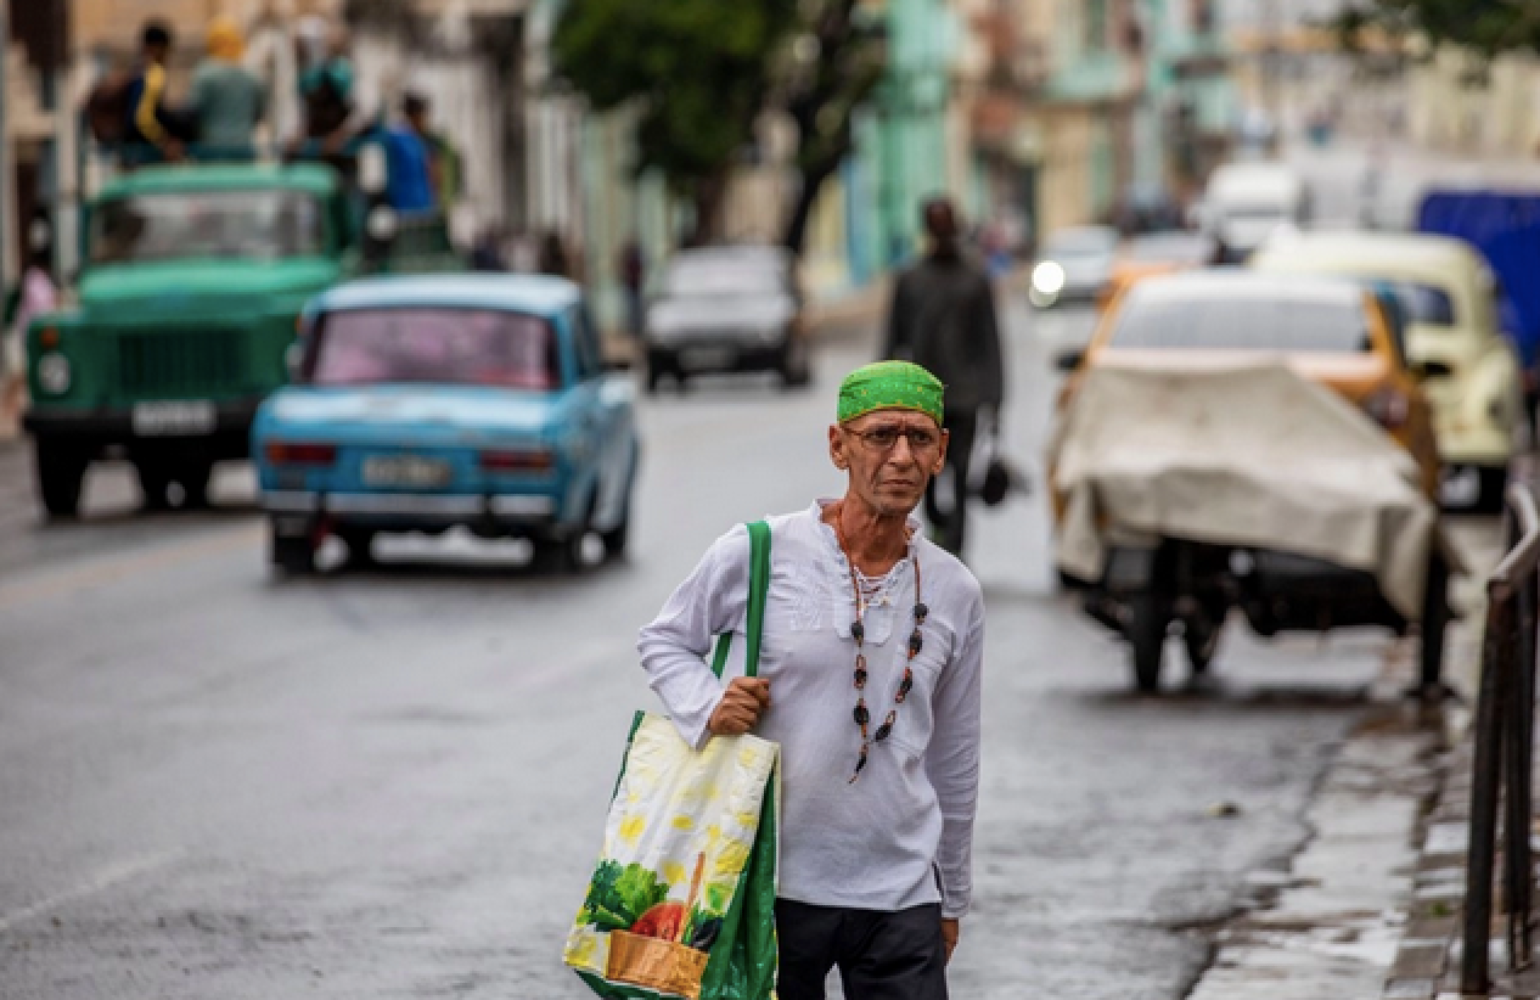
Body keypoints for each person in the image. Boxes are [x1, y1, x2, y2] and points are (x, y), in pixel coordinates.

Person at [639, 360, 984, 1000]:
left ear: (942, 453)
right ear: (839, 446)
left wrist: (951, 896)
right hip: (769, 882)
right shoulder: (759, 551)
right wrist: (709, 703)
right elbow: (664, 639)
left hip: (901, 890)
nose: (901, 456)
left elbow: (955, 756)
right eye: (881, 435)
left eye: (920, 437)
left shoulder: (954, 589)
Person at [883, 197, 1004, 559]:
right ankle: (938, 524)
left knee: (962, 472)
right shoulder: (911, 280)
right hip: (922, 402)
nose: (942, 231)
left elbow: (991, 343)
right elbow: (892, 342)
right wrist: (883, 398)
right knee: (925, 476)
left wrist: (995, 400)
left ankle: (957, 548)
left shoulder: (974, 279)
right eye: (935, 224)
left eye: (946, 223)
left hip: (966, 398)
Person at [190, 18, 264, 160]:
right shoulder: (250, 76)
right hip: (243, 148)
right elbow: (259, 112)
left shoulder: (204, 73)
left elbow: (194, 110)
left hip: (210, 149)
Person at [124, 21, 187, 163]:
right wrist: (164, 141)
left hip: (131, 149)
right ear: (158, 48)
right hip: (144, 151)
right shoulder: (155, 73)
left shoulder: (137, 70)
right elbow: (143, 118)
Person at [402, 92, 460, 209]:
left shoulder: (436, 143)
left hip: (436, 203)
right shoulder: (409, 143)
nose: (418, 121)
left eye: (419, 116)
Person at [617, 238, 646, 339]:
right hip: (630, 286)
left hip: (636, 286)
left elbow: (642, 270)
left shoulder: (637, 257)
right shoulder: (629, 258)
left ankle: (636, 329)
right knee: (631, 309)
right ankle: (633, 330)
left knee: (636, 309)